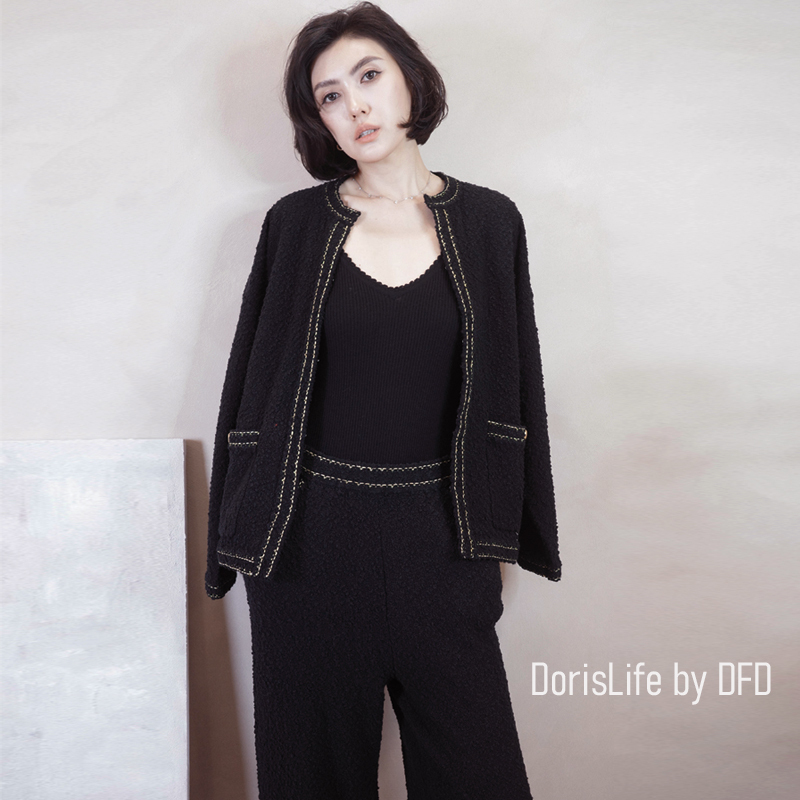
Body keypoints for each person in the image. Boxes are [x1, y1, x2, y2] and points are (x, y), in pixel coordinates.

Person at [205, 3, 561, 797]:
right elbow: (248, 392)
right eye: (329, 96)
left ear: (410, 80)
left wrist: (506, 530)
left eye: (368, 77)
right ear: (319, 120)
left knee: (480, 777)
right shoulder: (295, 226)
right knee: (311, 782)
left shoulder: (491, 222)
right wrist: (234, 540)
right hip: (308, 548)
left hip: (445, 543)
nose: (355, 106)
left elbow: (518, 384)